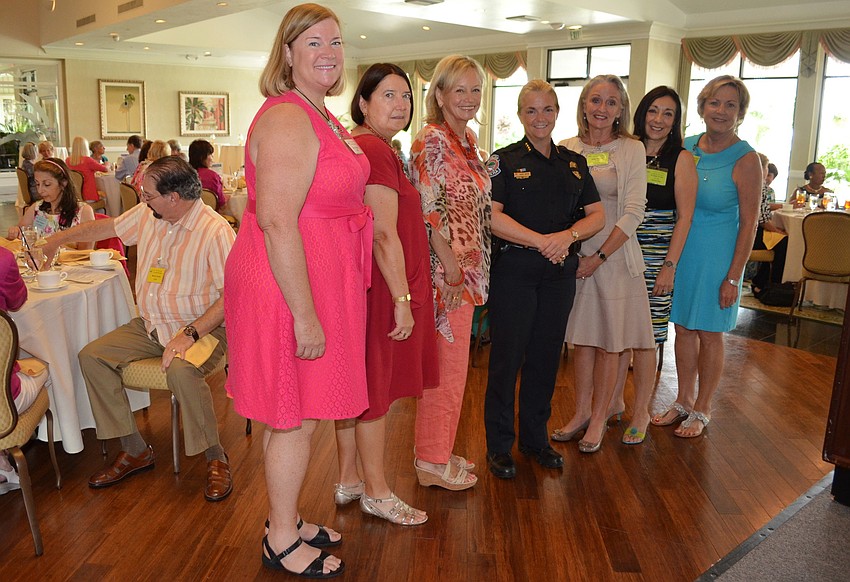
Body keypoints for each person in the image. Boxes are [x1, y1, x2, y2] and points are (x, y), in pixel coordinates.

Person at [224, 4, 369, 578]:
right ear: (287, 53)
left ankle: (286, 516)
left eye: (335, 40)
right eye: (313, 42)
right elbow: (278, 222)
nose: (328, 51)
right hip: (288, 284)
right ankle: (281, 537)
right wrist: (306, 317)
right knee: (290, 414)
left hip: (313, 276)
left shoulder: (320, 113)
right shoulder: (288, 117)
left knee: (303, 410)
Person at [41, 156, 235, 499]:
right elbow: (108, 227)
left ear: (174, 197)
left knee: (181, 370)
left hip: (202, 328)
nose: (142, 200)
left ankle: (215, 456)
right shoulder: (150, 214)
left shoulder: (215, 231)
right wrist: (60, 239)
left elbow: (231, 298)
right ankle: (135, 449)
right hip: (151, 325)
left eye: (148, 194)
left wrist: (189, 334)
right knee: (92, 357)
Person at [332, 63, 437, 525]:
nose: (401, 105)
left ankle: (350, 479)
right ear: (363, 102)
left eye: (406, 97)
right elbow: (383, 235)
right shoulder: (373, 148)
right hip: (384, 286)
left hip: (375, 282)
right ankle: (376, 490)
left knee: (361, 387)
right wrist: (403, 301)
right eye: (389, 96)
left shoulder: (372, 146)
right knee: (375, 388)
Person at [483, 80, 604, 479]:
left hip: (558, 275)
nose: (541, 118)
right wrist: (542, 242)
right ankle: (499, 446)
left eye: (548, 109)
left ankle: (535, 440)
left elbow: (597, 216)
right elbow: (494, 217)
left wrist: (566, 238)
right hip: (515, 271)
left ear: (557, 113)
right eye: (532, 110)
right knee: (507, 359)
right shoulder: (503, 159)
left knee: (546, 358)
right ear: (520, 115)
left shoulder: (574, 162)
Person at [549, 74, 654, 453]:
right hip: (574, 257)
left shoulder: (631, 149)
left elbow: (632, 212)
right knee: (582, 340)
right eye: (595, 100)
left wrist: (600, 256)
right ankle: (580, 412)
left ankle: (599, 418)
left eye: (611, 102)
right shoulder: (565, 147)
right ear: (583, 105)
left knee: (611, 342)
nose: (602, 108)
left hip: (614, 257)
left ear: (621, 109)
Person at [410, 54, 491, 491]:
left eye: (475, 89)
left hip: (468, 273)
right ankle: (431, 461)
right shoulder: (432, 140)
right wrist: (452, 269)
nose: (469, 98)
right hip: (449, 278)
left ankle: (438, 448)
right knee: (446, 372)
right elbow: (429, 210)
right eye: (458, 89)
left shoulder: (468, 139)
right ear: (438, 94)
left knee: (455, 371)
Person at [667, 75, 762, 438]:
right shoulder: (687, 147)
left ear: (740, 113)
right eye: (714, 103)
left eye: (730, 105)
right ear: (703, 106)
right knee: (683, 328)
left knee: (709, 332)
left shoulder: (746, 158)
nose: (721, 111)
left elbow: (750, 223)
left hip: (719, 257)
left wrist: (734, 276)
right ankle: (683, 400)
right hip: (685, 251)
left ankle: (703, 407)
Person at [616, 86, 698, 431]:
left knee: (647, 337)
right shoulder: (627, 148)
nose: (659, 120)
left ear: (675, 120)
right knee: (617, 334)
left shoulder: (680, 158)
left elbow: (685, 217)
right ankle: (613, 403)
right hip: (621, 249)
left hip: (657, 254)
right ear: (641, 113)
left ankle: (640, 413)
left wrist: (669, 268)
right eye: (653, 110)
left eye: (668, 113)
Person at [0, 247, 50, 495]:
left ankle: (3, 468)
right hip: (4, 407)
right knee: (48, 365)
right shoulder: (3, 259)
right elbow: (18, 301)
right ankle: (67, 436)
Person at [6, 158, 95, 247]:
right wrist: (14, 232)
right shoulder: (37, 208)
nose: (40, 190)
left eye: (47, 184)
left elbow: (85, 253)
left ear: (63, 183)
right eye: (37, 184)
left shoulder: (83, 212)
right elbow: (20, 233)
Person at [750, 153, 788, 299]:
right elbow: (763, 219)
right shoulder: (760, 186)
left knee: (777, 241)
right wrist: (777, 230)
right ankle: (774, 285)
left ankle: (760, 281)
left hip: (736, 231)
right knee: (783, 242)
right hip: (753, 234)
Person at [67, 136, 109, 203]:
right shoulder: (87, 160)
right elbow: (105, 169)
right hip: (88, 195)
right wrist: (107, 164)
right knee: (107, 198)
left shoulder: (68, 160)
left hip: (74, 195)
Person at [189, 139, 227, 208]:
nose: (212, 158)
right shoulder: (213, 176)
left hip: (188, 216)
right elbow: (222, 204)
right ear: (202, 157)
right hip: (210, 216)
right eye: (210, 154)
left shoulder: (184, 174)